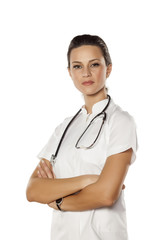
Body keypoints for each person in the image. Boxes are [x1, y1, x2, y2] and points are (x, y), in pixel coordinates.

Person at [26, 34, 138, 240]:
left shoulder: (121, 121)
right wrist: (88, 180)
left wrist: (58, 201)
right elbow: (33, 190)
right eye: (77, 66)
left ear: (108, 69)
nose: (86, 73)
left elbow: (106, 195)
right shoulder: (65, 127)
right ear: (70, 72)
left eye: (94, 64)